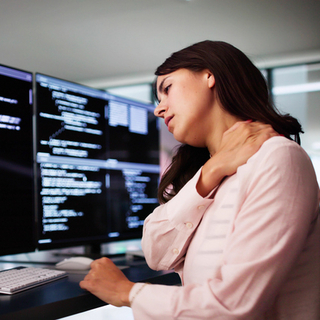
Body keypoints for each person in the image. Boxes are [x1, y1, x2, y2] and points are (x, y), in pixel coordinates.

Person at [80, 40, 320, 319]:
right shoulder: (210, 172)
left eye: (167, 89)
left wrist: (127, 292)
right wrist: (210, 172)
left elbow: (234, 305)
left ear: (209, 76)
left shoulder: (278, 157)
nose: (159, 110)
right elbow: (156, 252)